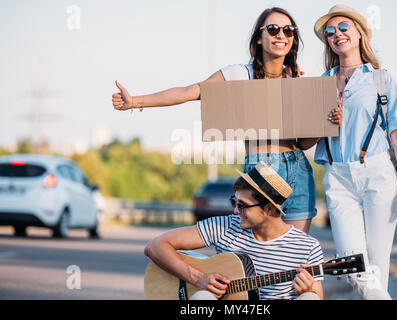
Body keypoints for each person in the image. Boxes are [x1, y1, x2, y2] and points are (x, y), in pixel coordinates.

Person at [112, 7, 342, 234]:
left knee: (296, 253)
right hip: (261, 167)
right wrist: (135, 101)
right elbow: (190, 91)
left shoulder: (297, 80)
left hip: (298, 167)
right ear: (259, 38)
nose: (281, 35)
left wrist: (326, 122)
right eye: (273, 29)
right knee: (260, 254)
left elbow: (302, 143)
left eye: (288, 30)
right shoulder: (239, 74)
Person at [312, 5, 397, 300]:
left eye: (343, 27)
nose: (337, 34)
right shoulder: (321, 82)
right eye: (330, 32)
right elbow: (308, 135)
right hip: (337, 177)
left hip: (377, 173)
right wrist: (325, 121)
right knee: (350, 265)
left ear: (359, 33)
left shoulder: (379, 79)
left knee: (377, 267)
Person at [144, 161, 324, 300]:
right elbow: (155, 246)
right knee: (203, 296)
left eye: (243, 205)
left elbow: (317, 295)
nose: (236, 211)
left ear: (269, 208)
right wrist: (197, 278)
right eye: (234, 202)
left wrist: (309, 289)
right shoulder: (226, 226)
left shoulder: (308, 247)